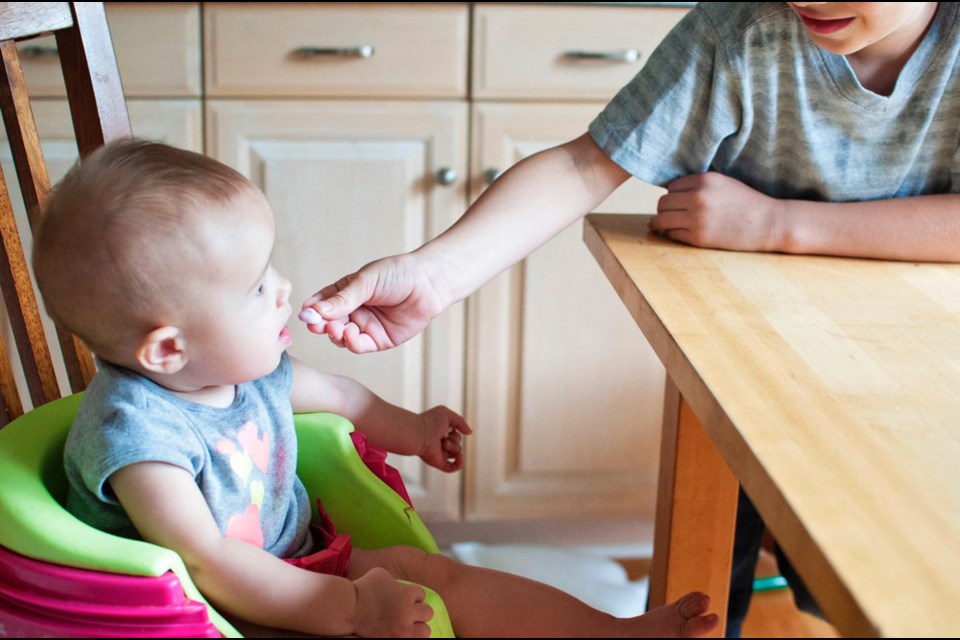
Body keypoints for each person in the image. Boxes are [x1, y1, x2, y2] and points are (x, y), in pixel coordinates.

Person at [298, 2, 960, 635]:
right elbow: (587, 163)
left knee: (872, 577)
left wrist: (776, 223)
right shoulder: (742, 28)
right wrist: (436, 275)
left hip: (917, 373)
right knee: (710, 569)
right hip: (746, 361)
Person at [32, 138, 719, 638]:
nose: (284, 290)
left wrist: (415, 430)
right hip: (207, 613)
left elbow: (343, 397)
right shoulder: (142, 442)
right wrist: (354, 610)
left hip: (298, 562)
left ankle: (610, 633)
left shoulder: (243, 371)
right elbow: (207, 565)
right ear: (169, 349)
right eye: (254, 288)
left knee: (435, 575)